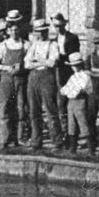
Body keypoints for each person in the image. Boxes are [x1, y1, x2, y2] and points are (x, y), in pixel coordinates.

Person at [23, 16, 64, 149]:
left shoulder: (53, 44)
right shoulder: (33, 45)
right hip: (33, 77)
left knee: (50, 109)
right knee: (34, 110)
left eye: (42, 31)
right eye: (37, 31)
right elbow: (26, 64)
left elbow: (52, 62)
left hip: (47, 78)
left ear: (46, 31)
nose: (40, 34)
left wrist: (37, 61)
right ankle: (36, 141)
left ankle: (57, 141)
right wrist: (40, 62)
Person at [0, 11, 27, 150]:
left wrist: (21, 66)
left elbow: (30, 61)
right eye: (11, 30)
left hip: (20, 79)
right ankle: (4, 139)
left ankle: (19, 138)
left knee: (20, 107)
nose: (14, 32)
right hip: (6, 79)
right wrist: (6, 67)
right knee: (5, 108)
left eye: (16, 30)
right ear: (8, 31)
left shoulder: (25, 44)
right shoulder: (3, 45)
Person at [60, 51, 94, 153]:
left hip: (80, 101)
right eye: (73, 66)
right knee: (72, 124)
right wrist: (69, 91)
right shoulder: (73, 77)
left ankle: (91, 148)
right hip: (71, 102)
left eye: (76, 65)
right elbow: (64, 90)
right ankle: (72, 147)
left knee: (83, 124)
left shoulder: (85, 76)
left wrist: (70, 91)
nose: (74, 67)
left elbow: (78, 90)